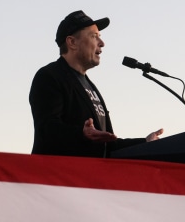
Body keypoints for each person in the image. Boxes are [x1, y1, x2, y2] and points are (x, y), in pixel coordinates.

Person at [29, 10, 163, 158]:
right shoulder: (49, 76)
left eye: (100, 37)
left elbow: (107, 144)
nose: (102, 43)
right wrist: (82, 133)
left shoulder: (90, 86)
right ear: (72, 42)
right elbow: (47, 130)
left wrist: (145, 142)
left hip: (93, 177)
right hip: (59, 176)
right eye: (94, 36)